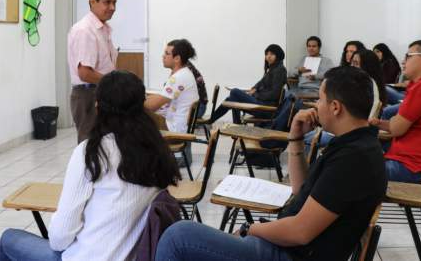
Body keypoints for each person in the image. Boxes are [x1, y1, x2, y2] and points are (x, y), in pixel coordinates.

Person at [155, 66, 387, 261]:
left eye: (321, 99)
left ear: (335, 107)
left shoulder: (353, 160)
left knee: (178, 236)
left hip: (289, 254)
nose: (316, 105)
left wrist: (250, 229)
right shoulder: (355, 145)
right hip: (290, 247)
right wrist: (295, 138)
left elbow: (300, 232)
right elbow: (300, 190)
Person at [0, 71, 181, 261]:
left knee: (9, 238)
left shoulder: (92, 153)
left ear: (98, 107)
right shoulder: (156, 149)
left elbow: (59, 239)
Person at [369, 40, 421, 186]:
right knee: (355, 159)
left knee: (355, 169)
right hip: (411, 158)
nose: (403, 62)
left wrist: (381, 123)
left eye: (408, 56)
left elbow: (397, 128)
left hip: (416, 167)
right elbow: (397, 125)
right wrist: (378, 123)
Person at [303, 49, 387, 150]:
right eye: (352, 63)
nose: (352, 66)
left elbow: (360, 116)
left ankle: (309, 165)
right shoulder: (361, 82)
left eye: (356, 63)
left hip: (350, 133)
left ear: (367, 65)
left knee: (308, 137)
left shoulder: (366, 85)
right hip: (352, 131)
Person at [67, 0, 118, 143]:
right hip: (89, 95)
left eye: (114, 2)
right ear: (92, 2)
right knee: (90, 147)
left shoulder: (104, 29)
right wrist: (115, 83)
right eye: (107, 2)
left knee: (105, 144)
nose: (112, 7)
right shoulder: (85, 30)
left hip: (101, 92)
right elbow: (85, 73)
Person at [209, 44, 288, 123]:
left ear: (278, 55)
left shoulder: (279, 70)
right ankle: (230, 125)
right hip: (262, 104)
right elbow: (261, 82)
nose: (268, 56)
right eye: (267, 54)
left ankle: (214, 120)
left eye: (272, 54)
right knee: (232, 98)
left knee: (234, 92)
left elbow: (275, 94)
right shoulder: (273, 69)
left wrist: (255, 94)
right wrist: (254, 88)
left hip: (266, 108)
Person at [144, 39, 200, 134]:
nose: (163, 56)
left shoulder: (179, 77)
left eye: (167, 53)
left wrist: (135, 100)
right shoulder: (183, 73)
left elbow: (152, 106)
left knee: (136, 114)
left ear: (177, 58)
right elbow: (161, 96)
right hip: (175, 125)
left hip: (174, 130)